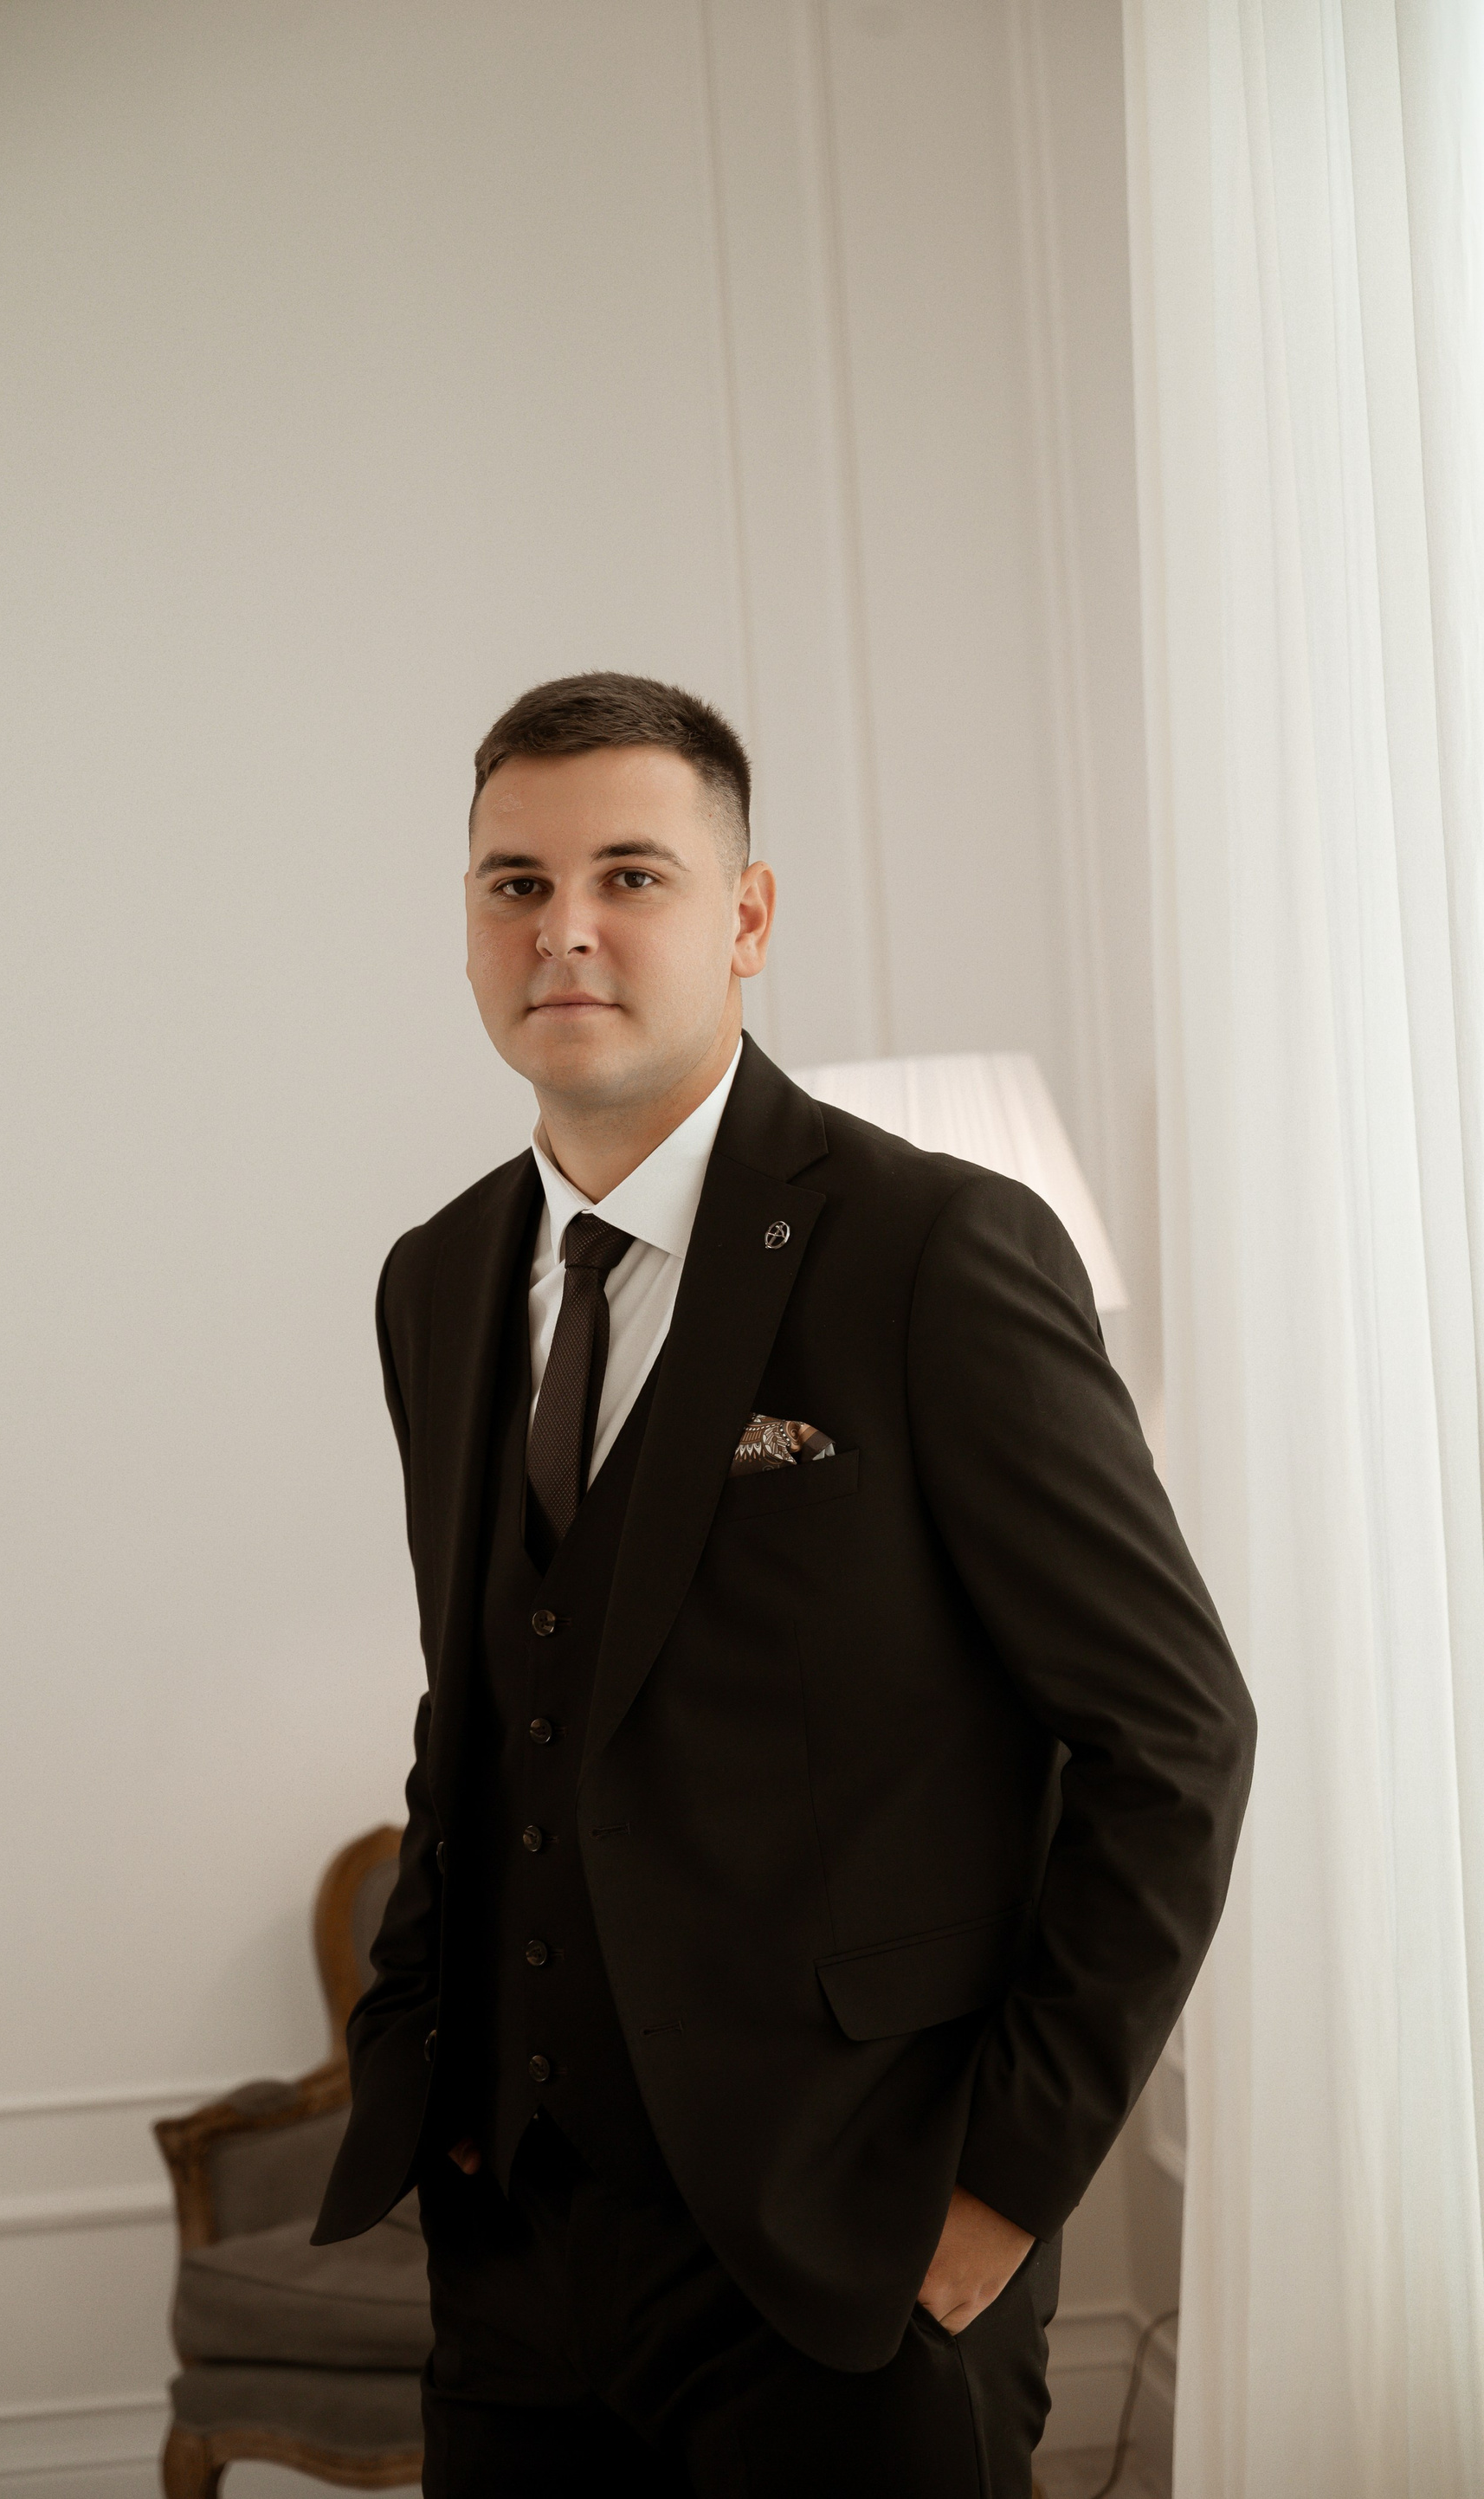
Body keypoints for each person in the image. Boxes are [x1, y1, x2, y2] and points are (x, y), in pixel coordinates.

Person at [313, 671, 1255, 2496]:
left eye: (631, 876)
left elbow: (1177, 1737)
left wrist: (1001, 2189)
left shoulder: (933, 1249)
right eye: (515, 884)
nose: (564, 929)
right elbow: (480, 1708)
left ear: (745, 917)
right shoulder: (435, 1279)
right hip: (512, 2254)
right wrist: (419, 2068)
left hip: (853, 2259)